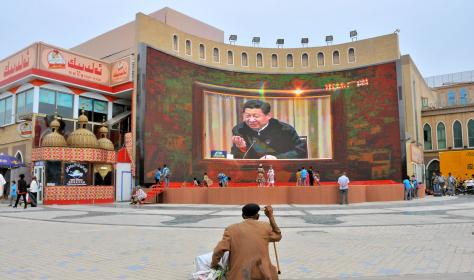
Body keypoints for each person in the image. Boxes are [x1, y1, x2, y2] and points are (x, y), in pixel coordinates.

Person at [211, 203, 282, 280]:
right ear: (257, 216)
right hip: (262, 274)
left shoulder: (231, 229)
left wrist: (214, 265)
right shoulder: (265, 227)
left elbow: (218, 250)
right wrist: (270, 216)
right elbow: (278, 236)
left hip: (238, 275)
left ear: (243, 216)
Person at [230, 99, 306, 159]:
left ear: (268, 116)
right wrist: (242, 149)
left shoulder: (285, 129)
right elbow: (236, 159)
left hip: (281, 169)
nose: (251, 120)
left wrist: (277, 158)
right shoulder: (239, 129)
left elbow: (300, 151)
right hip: (252, 170)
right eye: (247, 116)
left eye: (256, 116)